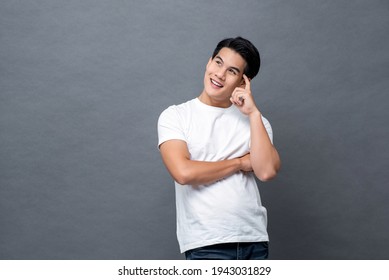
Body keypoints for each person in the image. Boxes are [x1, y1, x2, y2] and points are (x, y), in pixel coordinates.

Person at [157, 37, 281, 260]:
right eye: (218, 63)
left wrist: (253, 114)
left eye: (232, 71)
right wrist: (240, 162)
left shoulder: (256, 123)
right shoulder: (176, 116)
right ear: (209, 62)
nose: (220, 75)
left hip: (254, 240)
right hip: (207, 243)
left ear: (243, 82)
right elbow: (184, 173)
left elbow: (267, 171)